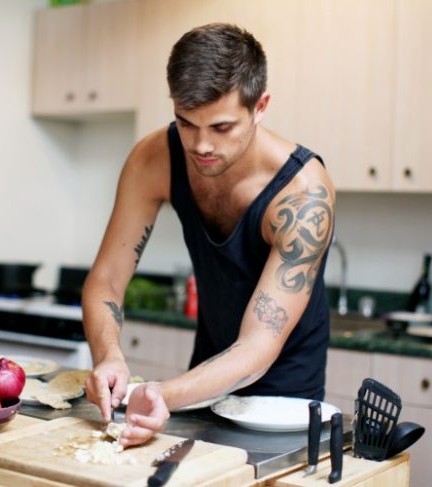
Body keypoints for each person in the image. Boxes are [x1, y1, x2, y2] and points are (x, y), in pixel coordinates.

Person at [82, 23, 335, 448]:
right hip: (202, 383)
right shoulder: (156, 157)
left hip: (283, 401)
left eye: (221, 127)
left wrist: (161, 392)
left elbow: (257, 348)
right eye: (186, 123)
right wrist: (109, 356)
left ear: (260, 106)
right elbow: (105, 280)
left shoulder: (303, 194)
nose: (201, 146)